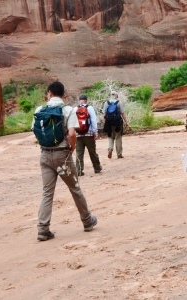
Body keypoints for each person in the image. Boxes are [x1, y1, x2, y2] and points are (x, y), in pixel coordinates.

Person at [33, 81, 98, 241]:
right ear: (64, 94)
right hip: (62, 155)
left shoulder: (39, 110)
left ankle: (43, 229)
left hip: (45, 155)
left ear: (49, 93)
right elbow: (72, 134)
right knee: (75, 188)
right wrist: (71, 149)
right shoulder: (67, 110)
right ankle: (87, 221)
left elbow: (35, 130)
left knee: (47, 192)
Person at [72, 94, 102, 175]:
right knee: (92, 152)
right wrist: (95, 132)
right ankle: (97, 168)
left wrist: (74, 133)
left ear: (79, 100)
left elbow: (73, 122)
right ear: (86, 100)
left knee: (79, 153)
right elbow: (93, 121)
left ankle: (79, 170)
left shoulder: (75, 109)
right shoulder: (89, 108)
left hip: (78, 135)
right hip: (89, 134)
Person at [102, 92, 126, 159]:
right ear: (116, 96)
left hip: (109, 123)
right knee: (118, 137)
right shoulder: (119, 102)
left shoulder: (106, 103)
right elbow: (122, 113)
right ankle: (119, 154)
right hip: (118, 123)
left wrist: (105, 123)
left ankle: (110, 149)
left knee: (110, 137)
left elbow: (104, 115)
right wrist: (126, 122)